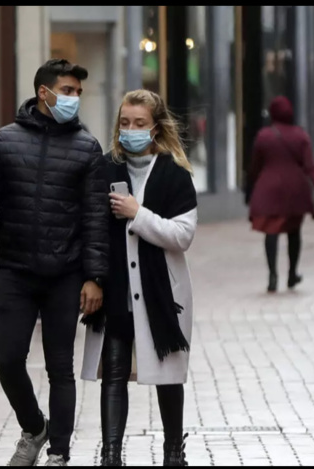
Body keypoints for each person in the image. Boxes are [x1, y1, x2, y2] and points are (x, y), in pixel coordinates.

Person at [0, 58, 109, 467]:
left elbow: (96, 218)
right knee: (7, 359)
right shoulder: (4, 142)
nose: (74, 98)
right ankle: (34, 427)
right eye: (68, 90)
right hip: (15, 271)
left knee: (61, 367)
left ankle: (59, 451)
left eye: (78, 92)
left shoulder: (87, 148)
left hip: (66, 273)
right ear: (44, 92)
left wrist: (94, 276)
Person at [80, 89, 197, 467]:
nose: (130, 130)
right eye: (125, 123)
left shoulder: (174, 173)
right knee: (113, 371)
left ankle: (173, 451)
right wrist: (92, 277)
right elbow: (90, 228)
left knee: (167, 373)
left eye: (139, 123)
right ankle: (111, 454)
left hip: (160, 291)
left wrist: (137, 213)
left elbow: (183, 235)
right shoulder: (104, 168)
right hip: (115, 287)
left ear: (156, 127)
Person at [247, 95, 314, 293]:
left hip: (269, 190)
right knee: (294, 232)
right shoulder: (300, 136)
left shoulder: (264, 136)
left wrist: (250, 189)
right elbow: (310, 167)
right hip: (295, 191)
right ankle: (292, 273)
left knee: (271, 232)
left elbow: (255, 167)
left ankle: (273, 275)